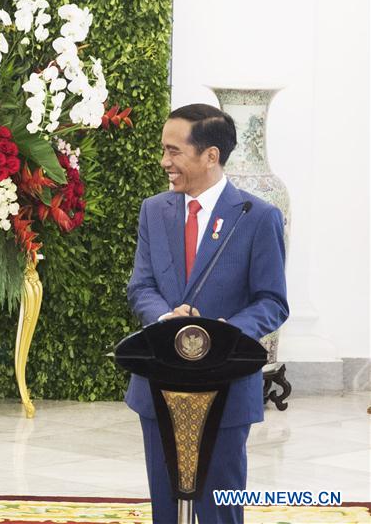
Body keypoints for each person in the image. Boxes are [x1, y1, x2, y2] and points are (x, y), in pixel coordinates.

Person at [126, 103, 288, 524]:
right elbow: (141, 286)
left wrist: (224, 333)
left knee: (220, 510)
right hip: (159, 384)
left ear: (211, 155)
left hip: (227, 388)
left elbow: (272, 301)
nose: (164, 161)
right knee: (166, 509)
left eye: (174, 151)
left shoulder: (259, 217)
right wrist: (165, 319)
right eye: (164, 150)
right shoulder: (153, 210)